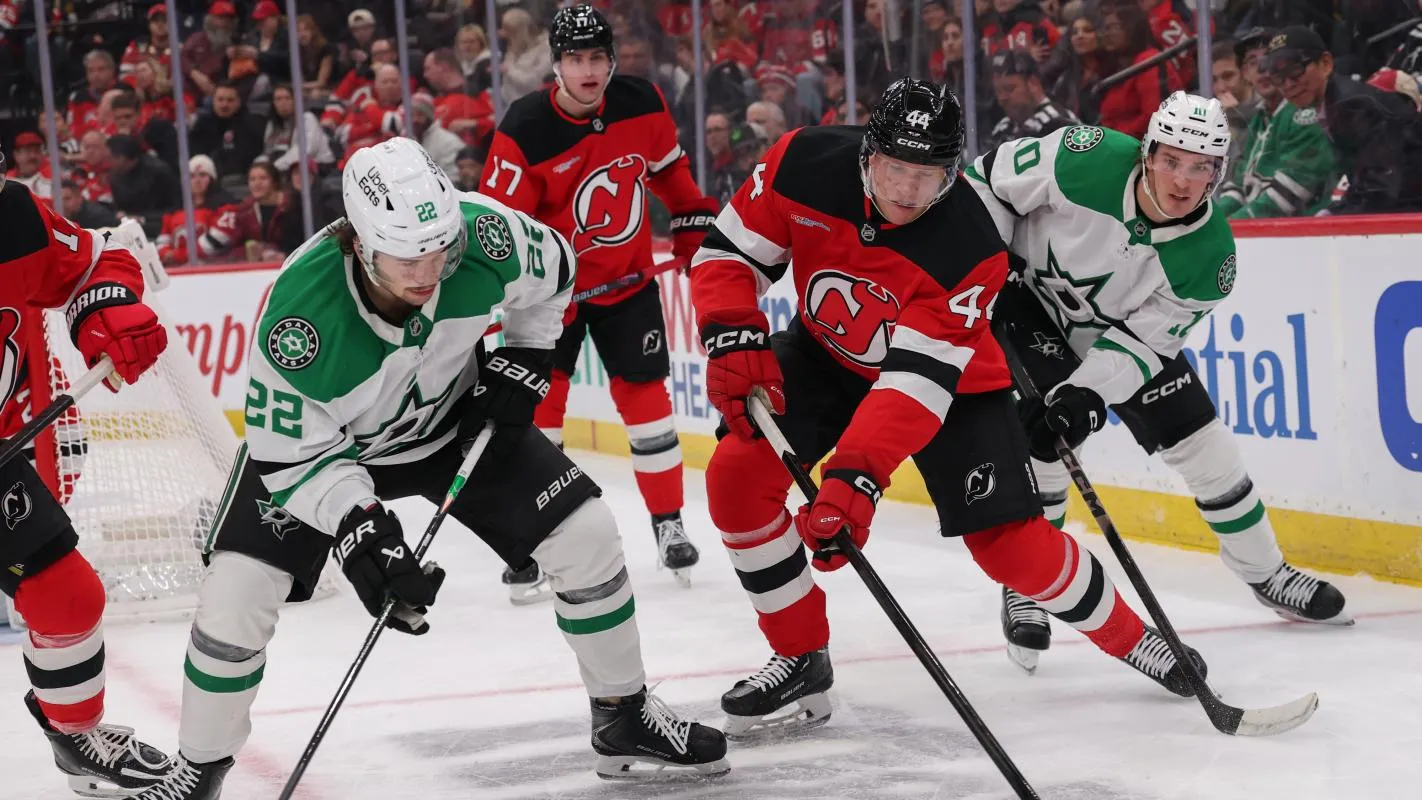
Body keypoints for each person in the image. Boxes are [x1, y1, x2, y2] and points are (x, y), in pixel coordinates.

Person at [129, 138, 729, 799]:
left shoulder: (481, 235)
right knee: (237, 590)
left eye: (439, 251)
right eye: (407, 257)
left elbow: (558, 267)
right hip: (326, 455)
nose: (428, 272)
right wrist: (359, 527)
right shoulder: (300, 315)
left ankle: (622, 715)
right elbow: (290, 454)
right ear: (361, 244)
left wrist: (529, 353)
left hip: (452, 426)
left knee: (585, 533)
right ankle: (199, 768)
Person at [691, 78, 1210, 740]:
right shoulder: (801, 161)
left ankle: (1136, 639)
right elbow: (730, 252)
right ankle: (800, 655)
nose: (909, 191)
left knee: (1011, 549)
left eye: (929, 175)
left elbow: (914, 385)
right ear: (867, 154)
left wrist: (855, 477)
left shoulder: (970, 243)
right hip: (827, 353)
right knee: (736, 479)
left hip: (952, 385)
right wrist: (732, 329)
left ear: (952, 171)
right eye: (895, 170)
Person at [964, 93, 1352, 673]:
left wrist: (1086, 392)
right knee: (1044, 448)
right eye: (1172, 160)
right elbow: (987, 182)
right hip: (1026, 303)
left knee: (1208, 450)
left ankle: (1266, 572)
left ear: (1218, 172)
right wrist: (983, 258)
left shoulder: (1210, 256)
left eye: (1201, 167)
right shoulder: (1083, 157)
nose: (1183, 180)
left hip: (1119, 337)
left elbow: (1142, 344)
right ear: (1147, 153)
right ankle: (1028, 586)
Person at [480, 5, 719, 601]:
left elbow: (670, 174)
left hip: (626, 285)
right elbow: (501, 229)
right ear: (555, 66)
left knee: (647, 404)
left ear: (611, 61)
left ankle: (669, 525)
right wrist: (513, 293)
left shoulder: (641, 103)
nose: (587, 71)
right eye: (574, 59)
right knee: (541, 414)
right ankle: (538, 540)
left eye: (596, 58)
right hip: (548, 299)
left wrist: (690, 221)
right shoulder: (525, 127)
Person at [0, 150, 174, 796]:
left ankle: (76, 739)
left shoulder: (14, 218)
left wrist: (107, 308)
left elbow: (95, 262)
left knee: (67, 596)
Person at [1264, 25, 1422, 214]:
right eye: (1278, 77)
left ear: (1326, 63)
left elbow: (1381, 192)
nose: (1288, 84)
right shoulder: (1334, 105)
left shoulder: (1354, 107)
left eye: (1296, 70)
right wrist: (1333, 211)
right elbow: (1363, 185)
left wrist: (1335, 217)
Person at [1216, 31, 1336, 219]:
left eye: (1268, 60)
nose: (1262, 69)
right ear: (1245, 74)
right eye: (1252, 62)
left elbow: (1286, 197)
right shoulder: (1259, 119)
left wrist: (1227, 227)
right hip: (1264, 228)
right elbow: (1238, 185)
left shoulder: (1303, 112)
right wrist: (1211, 221)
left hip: (1304, 228)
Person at [984, 50, 1079, 151]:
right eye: (998, 91)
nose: (1003, 97)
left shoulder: (1059, 123)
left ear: (1033, 83)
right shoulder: (1003, 128)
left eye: (1009, 89)